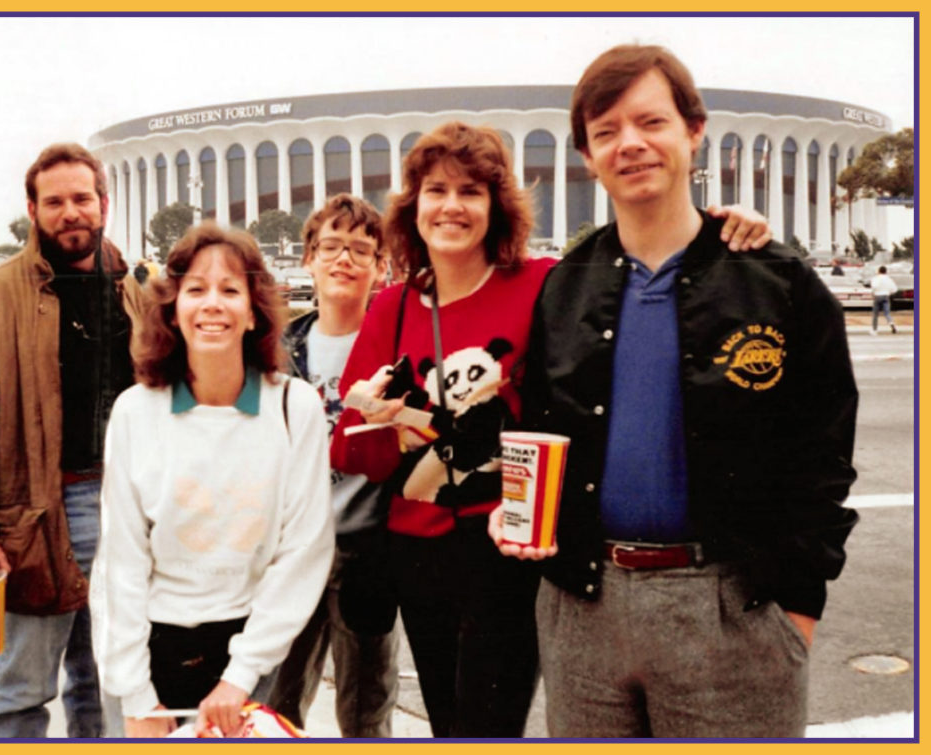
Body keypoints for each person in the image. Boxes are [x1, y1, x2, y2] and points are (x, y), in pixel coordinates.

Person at [332, 122, 773, 738]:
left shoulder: (543, 283)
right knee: (447, 720)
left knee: (489, 724)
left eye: (471, 191)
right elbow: (354, 453)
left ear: (497, 207)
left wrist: (729, 228)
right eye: (436, 190)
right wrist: (378, 421)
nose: (452, 206)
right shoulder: (393, 307)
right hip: (417, 550)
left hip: (510, 544)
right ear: (414, 207)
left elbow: (651, 265)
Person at [492, 44, 859, 738]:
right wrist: (514, 510)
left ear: (694, 131)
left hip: (731, 609)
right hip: (585, 610)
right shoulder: (564, 286)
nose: (629, 144)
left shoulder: (777, 282)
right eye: (606, 132)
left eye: (650, 122)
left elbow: (823, 454)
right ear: (587, 156)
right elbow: (534, 428)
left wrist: (798, 608)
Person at [0, 143, 144, 738]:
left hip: (123, 509)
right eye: (54, 202)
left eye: (82, 198)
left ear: (105, 203)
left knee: (106, 682)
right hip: (35, 517)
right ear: (33, 209)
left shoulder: (132, 291)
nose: (70, 212)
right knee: (21, 690)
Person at [91, 223, 334, 738]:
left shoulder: (296, 408)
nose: (212, 304)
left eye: (230, 290)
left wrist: (239, 677)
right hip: (151, 651)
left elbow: (304, 550)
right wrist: (137, 698)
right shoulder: (137, 411)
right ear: (173, 310)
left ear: (253, 311)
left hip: (249, 651)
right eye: (196, 289)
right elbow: (121, 562)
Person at [259, 194, 400, 737]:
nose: (345, 259)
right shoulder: (277, 349)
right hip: (292, 549)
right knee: (276, 703)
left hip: (365, 551)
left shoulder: (393, 347)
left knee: (366, 709)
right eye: (332, 247)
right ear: (309, 258)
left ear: (380, 267)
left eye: (361, 251)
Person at [869, 265, 898, 334]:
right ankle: (891, 323)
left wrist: (873, 293)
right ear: (886, 271)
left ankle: (874, 329)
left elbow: (874, 286)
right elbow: (894, 289)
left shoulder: (875, 278)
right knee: (887, 313)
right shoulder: (889, 279)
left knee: (875, 314)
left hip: (877, 296)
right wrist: (889, 292)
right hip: (886, 296)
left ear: (879, 271)